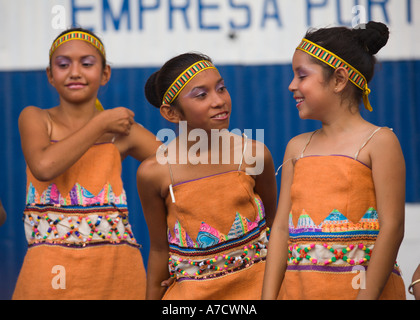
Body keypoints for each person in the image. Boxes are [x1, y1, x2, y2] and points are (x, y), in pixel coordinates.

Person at [13, 28, 161, 300]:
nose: (75, 72)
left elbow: (175, 169)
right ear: (50, 75)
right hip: (48, 276)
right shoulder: (35, 118)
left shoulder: (123, 132)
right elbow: (44, 166)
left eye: (87, 63)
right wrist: (100, 123)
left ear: (105, 74)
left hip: (117, 273)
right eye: (63, 64)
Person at [262, 21, 406, 300]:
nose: (292, 85)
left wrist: (367, 295)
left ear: (339, 80)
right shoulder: (296, 147)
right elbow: (280, 229)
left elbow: (393, 227)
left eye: (301, 76)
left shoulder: (379, 142)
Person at [137, 52, 277, 299]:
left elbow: (276, 228)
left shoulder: (254, 154)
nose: (219, 100)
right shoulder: (155, 172)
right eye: (202, 95)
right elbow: (159, 250)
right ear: (171, 113)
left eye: (221, 89)